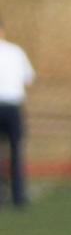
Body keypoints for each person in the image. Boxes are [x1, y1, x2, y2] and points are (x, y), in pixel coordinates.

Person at [0, 17, 33, 208]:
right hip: (12, 107)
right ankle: (18, 195)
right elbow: (28, 77)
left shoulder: (15, 51)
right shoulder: (16, 51)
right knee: (15, 152)